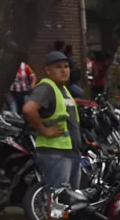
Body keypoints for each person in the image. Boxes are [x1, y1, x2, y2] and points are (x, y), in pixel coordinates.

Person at [23, 50, 83, 194]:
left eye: (66, 66)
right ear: (48, 71)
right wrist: (45, 130)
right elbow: (29, 109)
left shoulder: (62, 89)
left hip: (71, 152)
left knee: (70, 201)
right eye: (58, 67)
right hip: (56, 154)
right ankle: (55, 218)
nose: (63, 70)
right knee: (58, 200)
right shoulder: (46, 87)